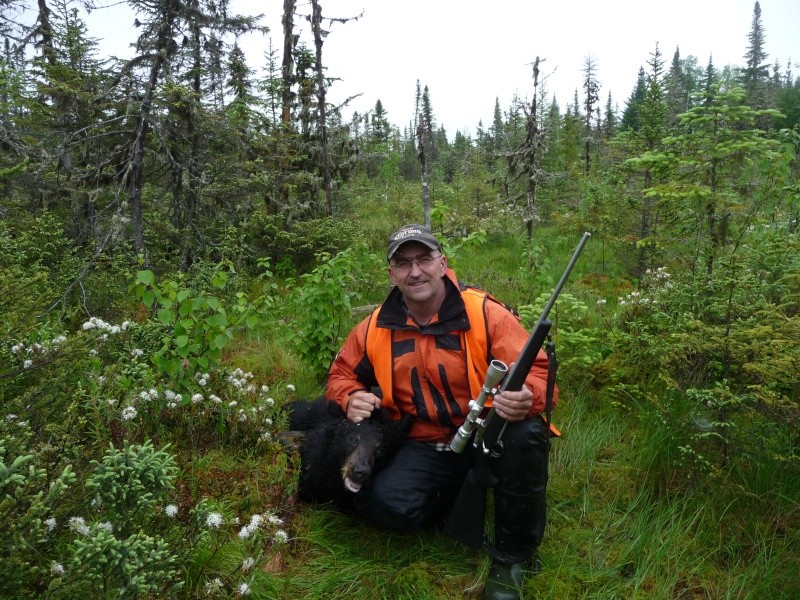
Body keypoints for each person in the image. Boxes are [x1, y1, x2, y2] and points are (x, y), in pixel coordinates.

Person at [326, 224, 555, 600]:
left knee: (524, 433)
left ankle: (513, 556)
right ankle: (463, 499)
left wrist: (528, 396)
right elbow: (339, 375)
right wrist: (349, 395)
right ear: (391, 274)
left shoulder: (486, 314)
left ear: (442, 263)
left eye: (424, 259)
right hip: (424, 441)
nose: (415, 272)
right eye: (403, 263)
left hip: (487, 432)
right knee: (386, 505)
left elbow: (538, 371)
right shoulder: (373, 328)